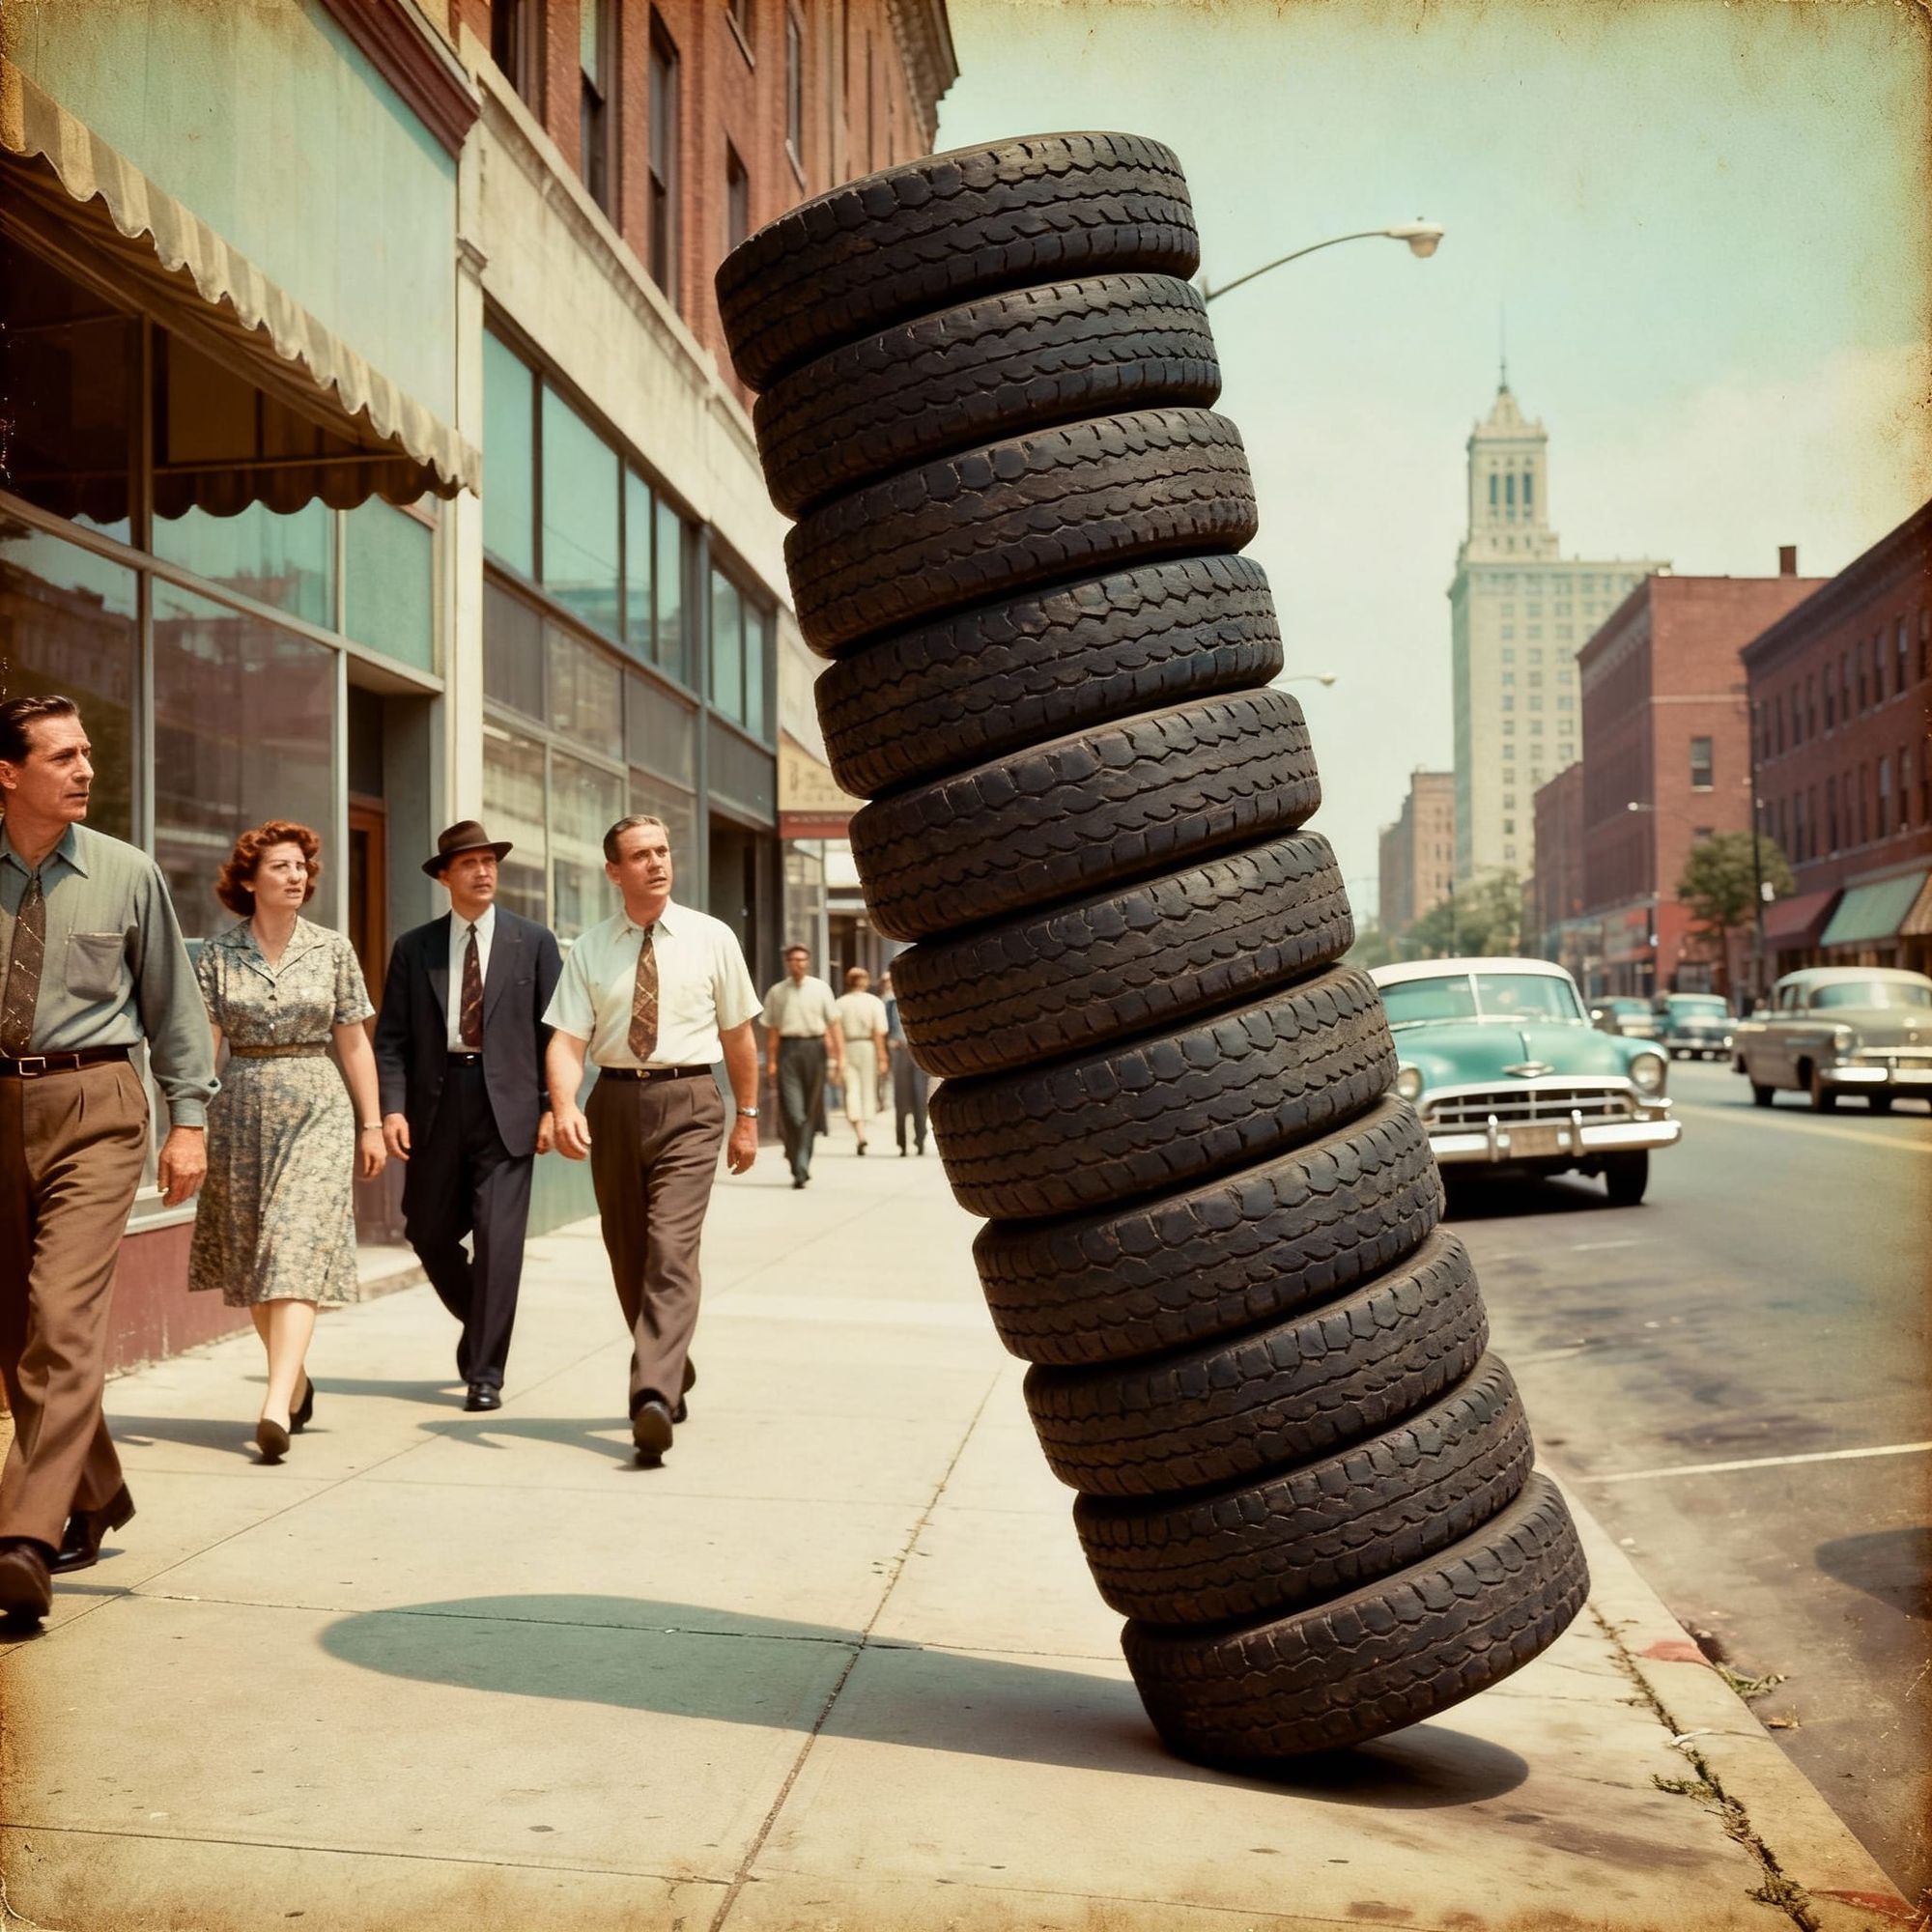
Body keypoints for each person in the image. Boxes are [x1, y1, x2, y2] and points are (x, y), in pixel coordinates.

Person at [0, 695, 216, 1623]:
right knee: (16, 1330)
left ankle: (22, 1538)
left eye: (87, 752)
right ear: (8, 773)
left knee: (61, 1315)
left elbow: (173, 1005)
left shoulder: (127, 873)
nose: (86, 768)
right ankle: (94, 1490)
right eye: (63, 756)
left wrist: (188, 1120)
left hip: (97, 1105)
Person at [544, 815, 761, 1467]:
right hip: (614, 1103)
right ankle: (671, 1363)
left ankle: (651, 1397)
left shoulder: (711, 937)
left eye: (663, 851)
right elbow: (567, 1040)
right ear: (615, 871)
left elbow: (738, 1036)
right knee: (628, 1253)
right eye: (641, 855)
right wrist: (564, 1105)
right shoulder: (591, 948)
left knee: (670, 1248)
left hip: (690, 1100)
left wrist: (747, 1116)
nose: (657, 863)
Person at [188, 821, 384, 1463]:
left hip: (317, 1107)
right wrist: (189, 1125)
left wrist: (372, 1123)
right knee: (256, 1259)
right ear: (249, 880)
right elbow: (204, 1048)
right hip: (240, 1110)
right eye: (281, 866)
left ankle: (272, 1406)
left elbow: (354, 1044)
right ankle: (294, 1383)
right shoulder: (217, 955)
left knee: (293, 1247)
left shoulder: (333, 950)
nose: (296, 875)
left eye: (302, 866)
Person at [374, 821, 560, 1411]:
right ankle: (484, 1323)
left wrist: (553, 1107)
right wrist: (392, 1108)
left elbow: (555, 1035)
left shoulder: (534, 942)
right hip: (436, 1104)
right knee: (427, 1231)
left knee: (499, 1241)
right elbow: (391, 1040)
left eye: (490, 862)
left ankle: (486, 1374)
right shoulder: (415, 948)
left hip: (510, 1108)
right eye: (469, 864)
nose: (483, 872)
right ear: (445, 877)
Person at [762, 944, 841, 1188]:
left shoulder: (821, 988)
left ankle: (801, 1165)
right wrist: (771, 1062)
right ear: (787, 963)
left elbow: (834, 1024)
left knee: (810, 1111)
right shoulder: (777, 992)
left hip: (815, 1049)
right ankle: (795, 1155)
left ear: (808, 962)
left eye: (802, 959)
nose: (798, 964)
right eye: (793, 960)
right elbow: (773, 1030)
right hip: (788, 1051)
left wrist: (840, 1058)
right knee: (793, 1112)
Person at [834, 966, 890, 1154]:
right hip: (868, 1048)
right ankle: (862, 1131)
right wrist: (882, 1057)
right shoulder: (874, 1003)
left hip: (848, 1047)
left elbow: (835, 1033)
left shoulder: (840, 1003)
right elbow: (878, 1033)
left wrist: (837, 1057)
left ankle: (859, 1133)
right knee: (867, 1088)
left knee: (851, 1089)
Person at [881, 970, 930, 1158]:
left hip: (918, 1054)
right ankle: (902, 1143)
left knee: (920, 1099)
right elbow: (884, 1030)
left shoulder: (922, 1001)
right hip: (900, 1052)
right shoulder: (890, 1003)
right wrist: (888, 1046)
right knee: (901, 1101)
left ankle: (920, 1139)